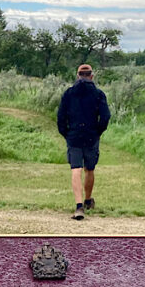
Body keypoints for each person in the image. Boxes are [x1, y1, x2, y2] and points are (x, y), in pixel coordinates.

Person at [57, 64, 110, 220]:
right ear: (91, 76)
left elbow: (61, 117)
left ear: (78, 76)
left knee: (76, 169)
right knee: (90, 168)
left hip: (74, 135)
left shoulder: (69, 93)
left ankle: (79, 206)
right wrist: (98, 131)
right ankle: (88, 200)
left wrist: (66, 133)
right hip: (91, 135)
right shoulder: (99, 94)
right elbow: (105, 117)